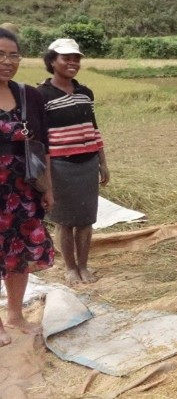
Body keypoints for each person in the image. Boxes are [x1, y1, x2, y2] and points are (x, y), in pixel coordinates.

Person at [38, 38, 110, 284]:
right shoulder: (41, 95)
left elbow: (94, 128)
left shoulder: (85, 93)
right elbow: (42, 141)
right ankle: (70, 267)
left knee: (86, 219)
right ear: (52, 61)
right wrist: (45, 177)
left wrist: (102, 162)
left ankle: (84, 265)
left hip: (88, 164)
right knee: (64, 220)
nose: (72, 62)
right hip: (61, 167)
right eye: (66, 58)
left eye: (76, 58)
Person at [0, 28, 55, 345]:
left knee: (19, 252)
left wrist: (47, 188)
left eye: (14, 55)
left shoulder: (28, 95)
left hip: (22, 188)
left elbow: (42, 146)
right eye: (1, 55)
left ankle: (15, 314)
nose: (8, 62)